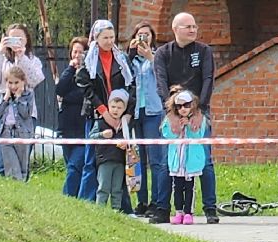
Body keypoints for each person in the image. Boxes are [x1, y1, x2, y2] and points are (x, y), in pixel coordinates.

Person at [153, 11, 218, 223]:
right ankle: (163, 209)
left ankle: (210, 209)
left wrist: (200, 109)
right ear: (175, 29)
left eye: (194, 26)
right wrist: (170, 113)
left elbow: (208, 79)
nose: (193, 30)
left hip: (199, 111)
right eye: (188, 26)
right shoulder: (163, 53)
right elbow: (161, 83)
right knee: (166, 161)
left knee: (205, 160)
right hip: (172, 111)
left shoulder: (204, 51)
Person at [76, 20, 134, 206]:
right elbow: (85, 86)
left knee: (122, 159)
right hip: (97, 114)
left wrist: (127, 112)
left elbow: (131, 85)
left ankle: (123, 207)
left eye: (112, 37)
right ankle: (86, 203)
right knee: (91, 159)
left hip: (120, 113)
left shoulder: (121, 58)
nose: (109, 41)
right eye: (105, 38)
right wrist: (103, 111)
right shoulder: (88, 58)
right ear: (96, 38)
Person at [0, 23, 46, 177]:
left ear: (27, 40)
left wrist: (21, 57)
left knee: (21, 160)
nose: (16, 41)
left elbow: (35, 79)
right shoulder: (3, 59)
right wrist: (0, 52)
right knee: (1, 161)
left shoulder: (32, 60)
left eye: (20, 38)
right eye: (12, 37)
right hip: (3, 112)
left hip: (24, 113)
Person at [127, 23, 167, 219]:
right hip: (136, 112)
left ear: (152, 38)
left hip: (153, 110)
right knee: (139, 159)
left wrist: (150, 57)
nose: (143, 38)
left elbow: (163, 76)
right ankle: (141, 201)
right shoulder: (131, 59)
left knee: (156, 159)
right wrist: (130, 52)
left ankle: (157, 202)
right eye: (139, 34)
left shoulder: (158, 56)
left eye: (146, 35)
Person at [162, 88, 208, 224]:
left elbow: (199, 136)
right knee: (177, 187)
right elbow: (167, 135)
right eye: (179, 106)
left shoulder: (199, 118)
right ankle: (178, 212)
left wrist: (189, 127)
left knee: (190, 188)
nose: (183, 109)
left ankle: (189, 212)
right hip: (177, 161)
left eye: (186, 106)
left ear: (192, 105)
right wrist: (177, 128)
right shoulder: (169, 119)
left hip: (191, 162)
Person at [0, 65, 38, 182]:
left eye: (16, 83)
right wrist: (5, 99)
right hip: (6, 132)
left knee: (22, 167)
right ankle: (15, 186)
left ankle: (22, 190)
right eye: (10, 83)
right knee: (11, 166)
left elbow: (26, 113)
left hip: (22, 133)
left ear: (23, 81)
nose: (13, 86)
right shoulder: (0, 93)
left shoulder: (28, 94)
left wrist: (19, 97)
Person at [57, 37, 90, 197]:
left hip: (82, 128)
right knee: (71, 165)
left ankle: (67, 197)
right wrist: (70, 69)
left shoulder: (89, 72)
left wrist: (68, 97)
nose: (77, 55)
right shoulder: (68, 72)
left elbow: (83, 94)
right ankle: (77, 197)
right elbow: (59, 89)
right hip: (67, 127)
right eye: (74, 52)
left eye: (81, 52)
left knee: (74, 166)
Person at [91, 89, 133, 210]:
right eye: (113, 106)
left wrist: (126, 145)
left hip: (120, 161)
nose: (115, 110)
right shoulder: (100, 123)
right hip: (104, 160)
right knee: (103, 187)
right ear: (108, 106)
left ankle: (116, 210)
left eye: (119, 108)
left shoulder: (125, 125)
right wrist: (102, 135)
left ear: (124, 109)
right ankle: (100, 210)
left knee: (117, 189)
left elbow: (131, 140)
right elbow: (91, 137)